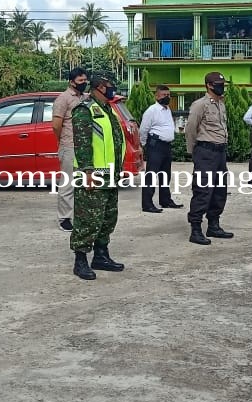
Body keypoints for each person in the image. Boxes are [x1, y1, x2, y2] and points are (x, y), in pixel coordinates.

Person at [69, 73, 127, 280]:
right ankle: (80, 260)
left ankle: (101, 255)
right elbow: (82, 144)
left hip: (109, 175)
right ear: (100, 87)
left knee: (107, 218)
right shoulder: (84, 110)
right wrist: (87, 172)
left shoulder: (107, 109)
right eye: (110, 85)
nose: (112, 89)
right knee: (88, 220)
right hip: (92, 175)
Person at [184, 71, 234, 245]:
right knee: (203, 190)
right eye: (218, 84)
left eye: (223, 84)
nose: (222, 87)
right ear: (209, 85)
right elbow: (191, 129)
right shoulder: (200, 105)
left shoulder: (221, 104)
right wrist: (193, 151)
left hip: (220, 152)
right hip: (205, 151)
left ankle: (214, 224)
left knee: (220, 190)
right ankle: (195, 229)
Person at [51, 67, 88, 232]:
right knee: (68, 183)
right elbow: (56, 125)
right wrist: (63, 140)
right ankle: (64, 218)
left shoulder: (85, 98)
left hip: (84, 147)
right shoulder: (63, 99)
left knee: (82, 182)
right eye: (80, 81)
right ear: (71, 82)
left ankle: (79, 215)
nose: (84, 83)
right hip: (69, 146)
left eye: (85, 80)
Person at [138, 84, 182, 213]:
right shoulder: (152, 110)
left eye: (168, 95)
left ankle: (165, 200)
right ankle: (147, 204)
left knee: (165, 175)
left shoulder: (167, 109)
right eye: (163, 95)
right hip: (155, 145)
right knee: (152, 175)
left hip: (166, 146)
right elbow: (143, 129)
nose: (166, 97)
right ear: (156, 96)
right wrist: (144, 145)